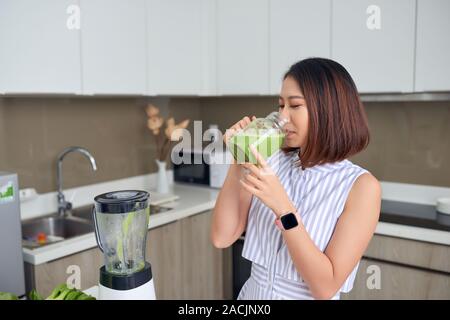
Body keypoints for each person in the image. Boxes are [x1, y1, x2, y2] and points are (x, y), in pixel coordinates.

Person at [210, 58, 381, 300]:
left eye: (295, 106)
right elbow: (222, 236)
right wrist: (240, 156)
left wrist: (283, 209)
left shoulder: (361, 187)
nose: (283, 117)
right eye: (280, 106)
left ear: (328, 110)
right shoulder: (272, 159)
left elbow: (325, 287)